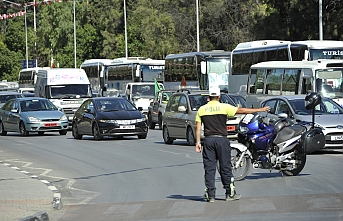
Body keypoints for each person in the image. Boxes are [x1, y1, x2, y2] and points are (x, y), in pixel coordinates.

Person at [195, 86, 270, 202]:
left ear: (208, 97)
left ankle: (210, 195)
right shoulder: (224, 107)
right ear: (219, 96)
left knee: (209, 169)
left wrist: (198, 142)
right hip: (222, 140)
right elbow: (242, 111)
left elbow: (198, 127)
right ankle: (229, 193)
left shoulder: (202, 110)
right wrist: (260, 109)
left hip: (209, 140)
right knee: (225, 167)